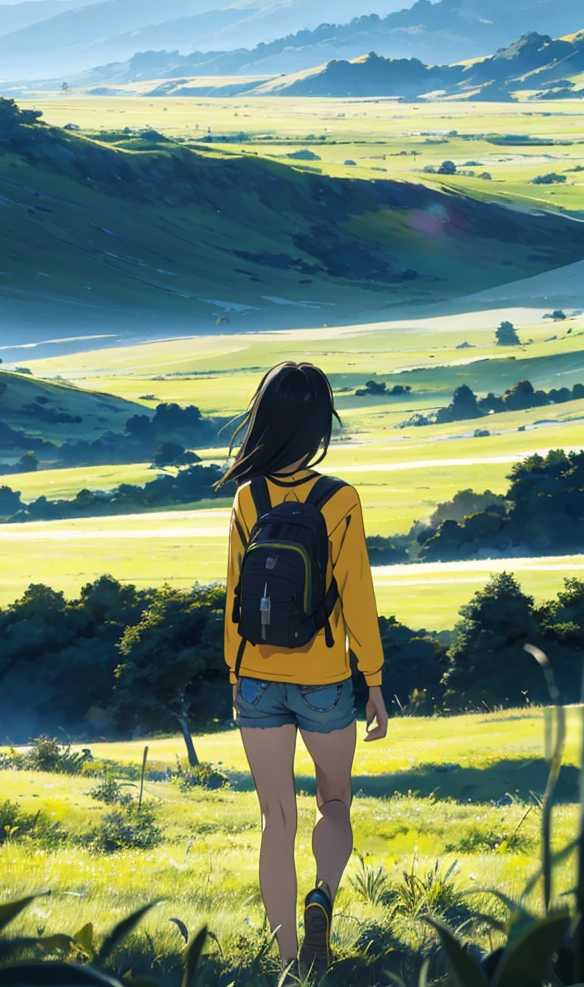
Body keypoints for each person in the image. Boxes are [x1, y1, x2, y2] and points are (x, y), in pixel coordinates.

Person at [219, 361, 388, 983]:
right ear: (320, 421)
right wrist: (371, 679)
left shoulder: (248, 497)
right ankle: (322, 894)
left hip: (256, 675)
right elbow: (357, 596)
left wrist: (236, 673)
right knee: (334, 800)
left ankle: (289, 963)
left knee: (275, 817)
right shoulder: (340, 499)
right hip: (323, 679)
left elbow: (234, 593)